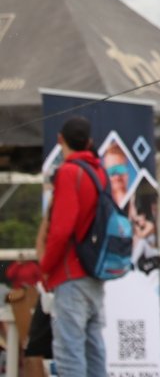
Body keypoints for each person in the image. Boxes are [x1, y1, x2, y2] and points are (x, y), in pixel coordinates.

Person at [39, 116, 109, 377]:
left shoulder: (69, 172)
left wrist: (46, 267)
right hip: (94, 272)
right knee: (93, 350)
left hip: (70, 273)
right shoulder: (99, 172)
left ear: (60, 139)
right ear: (89, 142)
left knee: (70, 354)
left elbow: (61, 230)